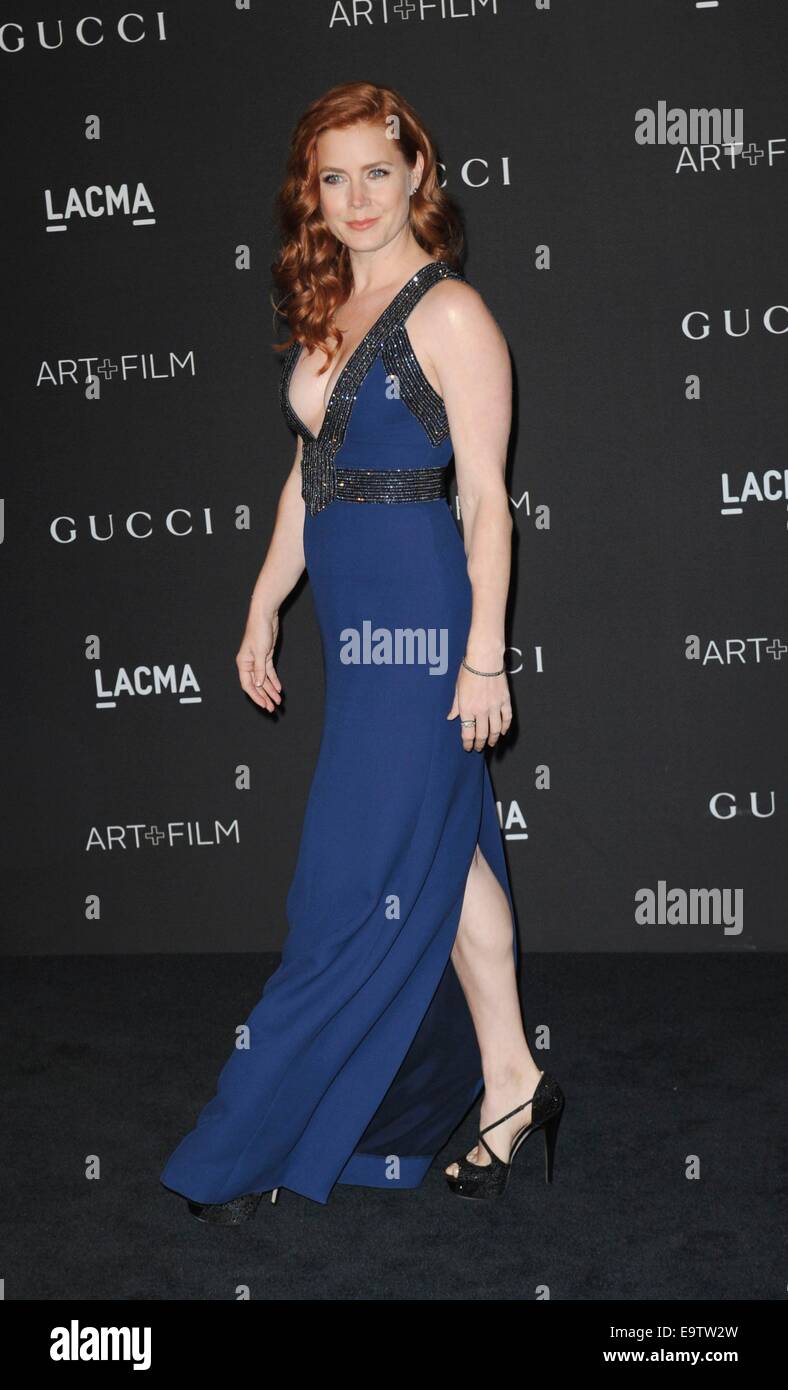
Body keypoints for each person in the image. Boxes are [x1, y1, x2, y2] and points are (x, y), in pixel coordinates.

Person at [159, 80, 564, 1223]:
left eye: (375, 172)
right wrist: (260, 603)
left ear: (417, 175)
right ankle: (512, 1080)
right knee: (448, 847)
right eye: (330, 178)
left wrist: (483, 655)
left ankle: (245, 1135)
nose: (354, 197)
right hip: (350, 613)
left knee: (349, 875)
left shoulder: (450, 314)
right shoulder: (329, 305)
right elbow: (311, 472)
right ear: (310, 193)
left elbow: (487, 503)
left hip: (428, 620)